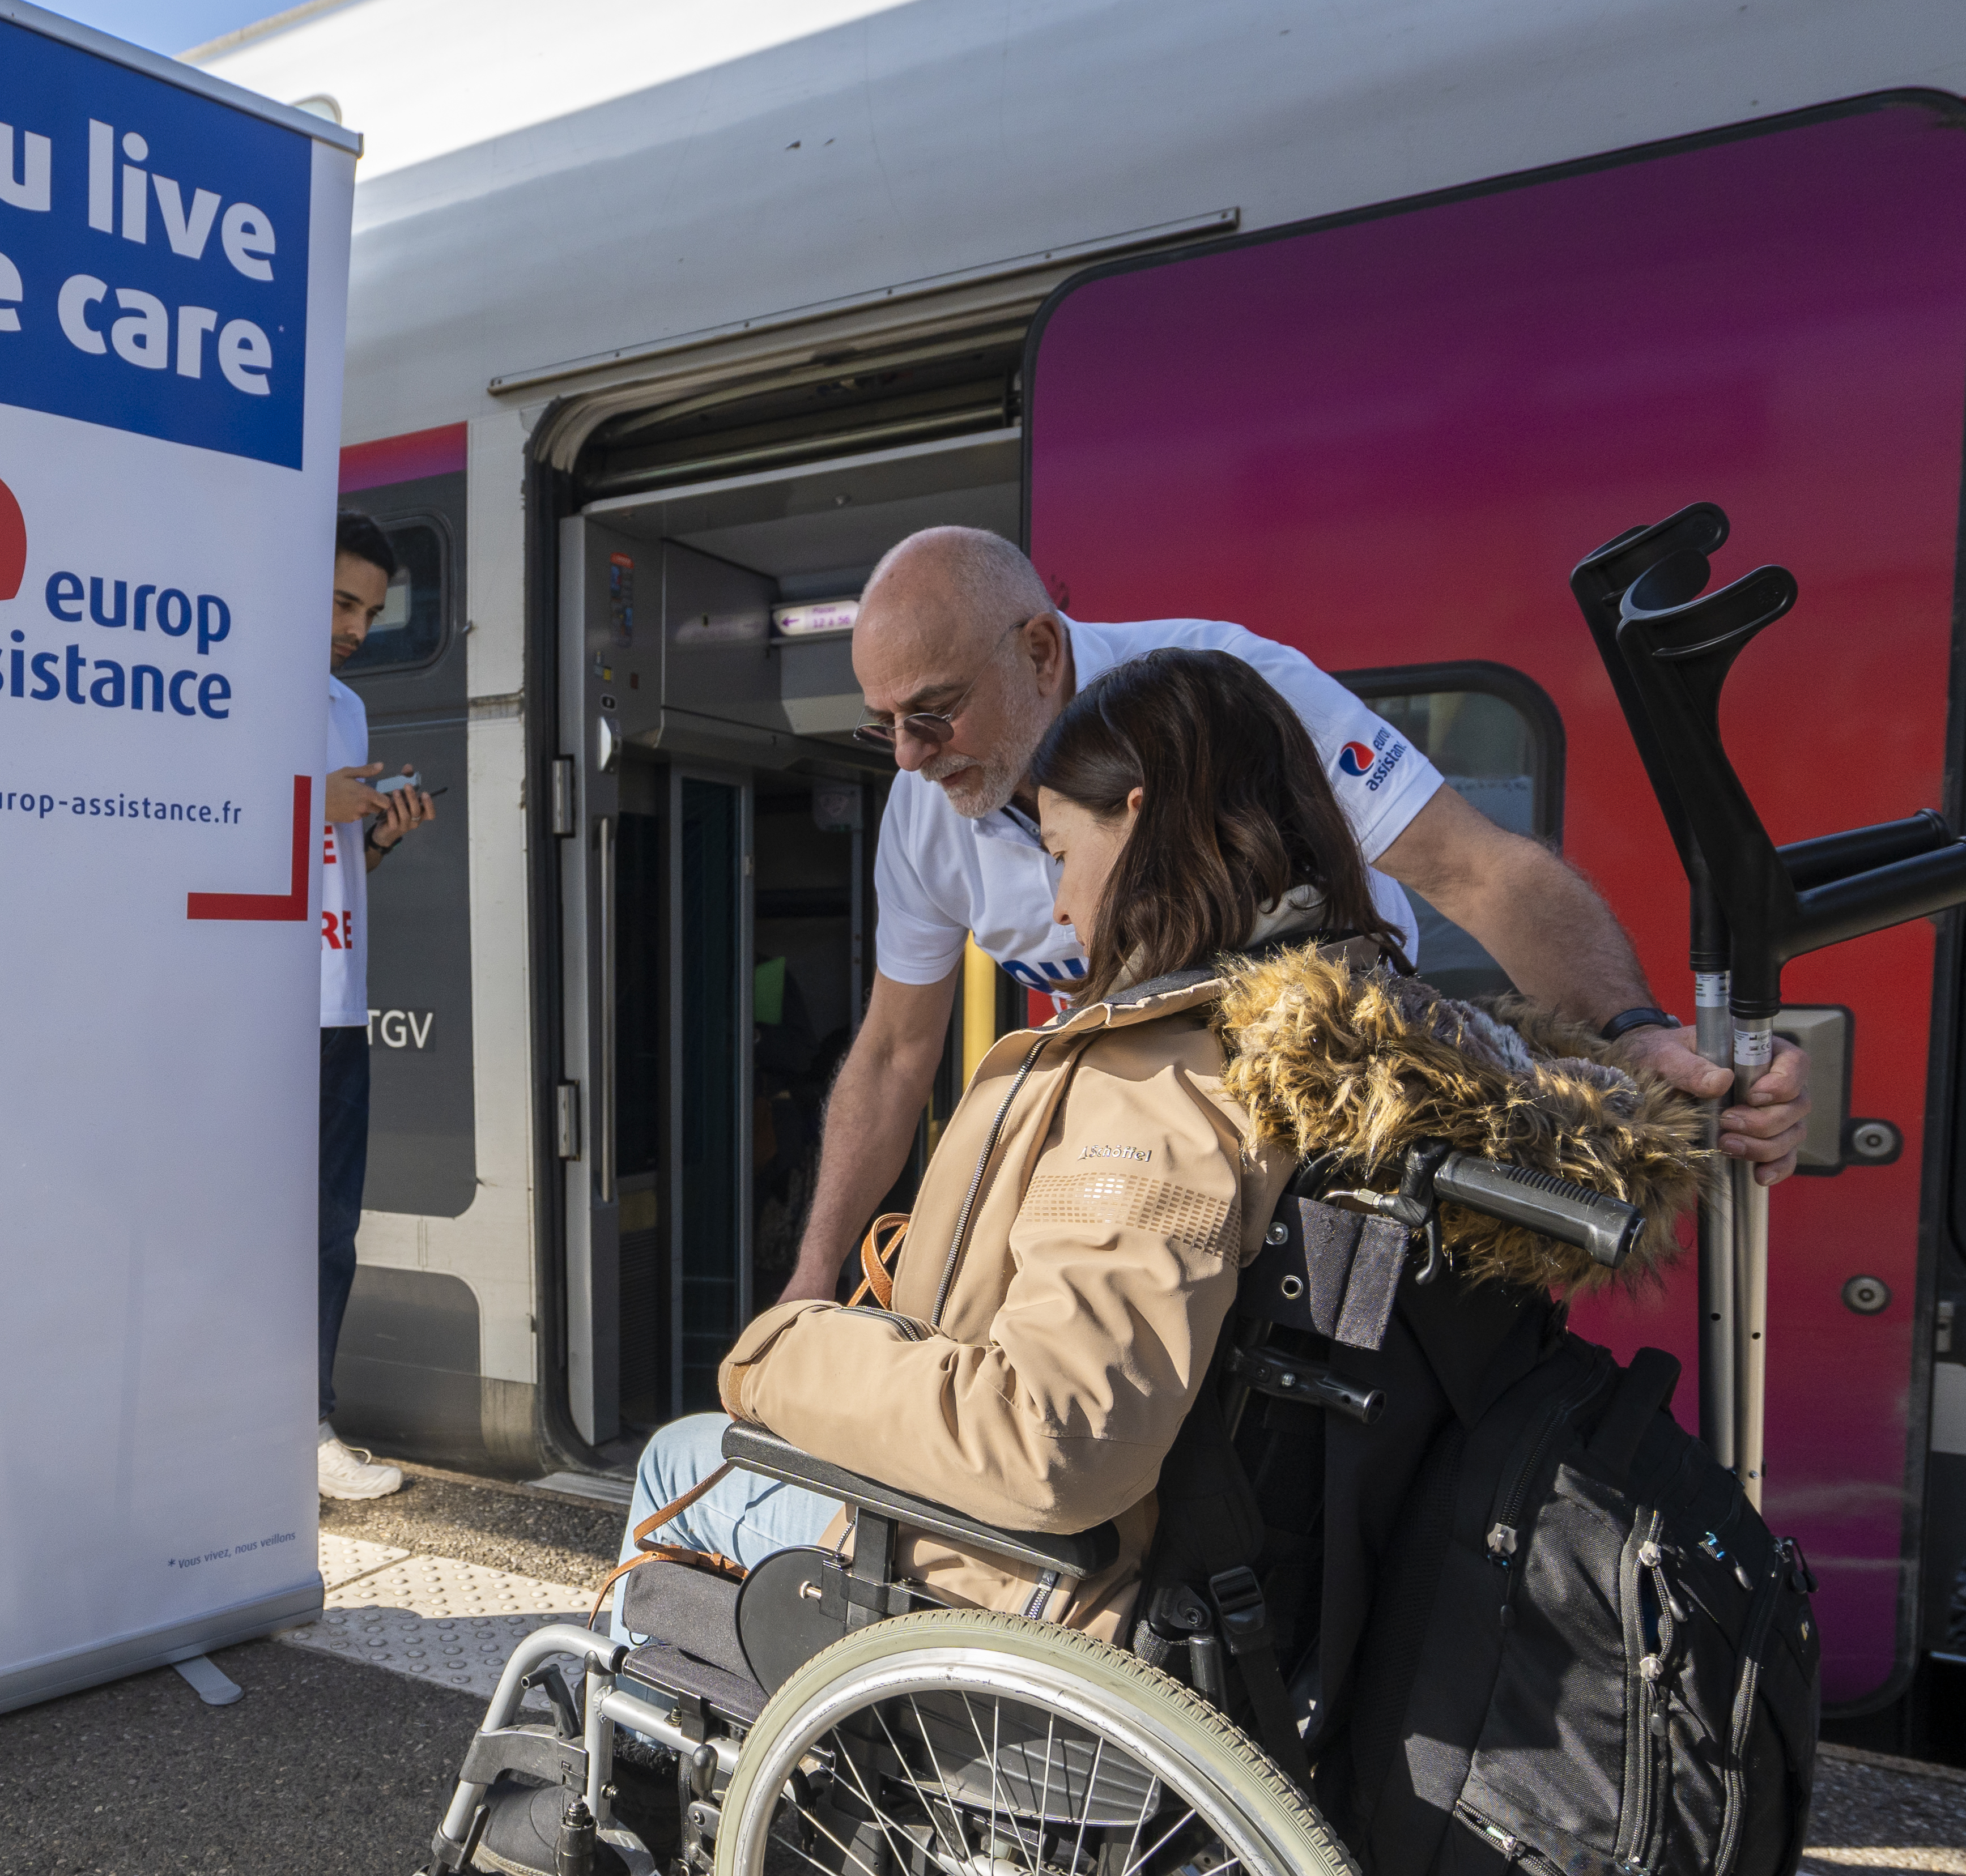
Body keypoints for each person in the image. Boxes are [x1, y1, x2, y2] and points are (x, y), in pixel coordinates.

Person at [772, 526, 1806, 1309]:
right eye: (882, 727)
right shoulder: (926, 814)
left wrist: (1634, 1035)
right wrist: (810, 1285)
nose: (907, 757)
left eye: (931, 714)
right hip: (1158, 1162)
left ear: (1040, 653)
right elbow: (894, 1054)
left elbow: (1477, 872)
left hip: (1320, 1137)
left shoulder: (1232, 698)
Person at [618, 647, 1391, 1627]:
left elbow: (1052, 1440)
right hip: (1214, 1570)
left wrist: (781, 1352)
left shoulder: (1159, 1084)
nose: (1061, 907)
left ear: (1142, 820)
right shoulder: (1348, 1023)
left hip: (1030, 1586)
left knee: (682, 1454)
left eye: (1064, 856)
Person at [315, 511, 436, 1504]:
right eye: (343, 602)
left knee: (326, 1230)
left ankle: (308, 1425)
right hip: (251, 1008)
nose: (358, 625)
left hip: (338, 1001)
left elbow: (333, 870)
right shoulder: (219, 696)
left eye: (370, 611)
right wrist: (316, 804)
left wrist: (377, 835)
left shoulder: (345, 709)